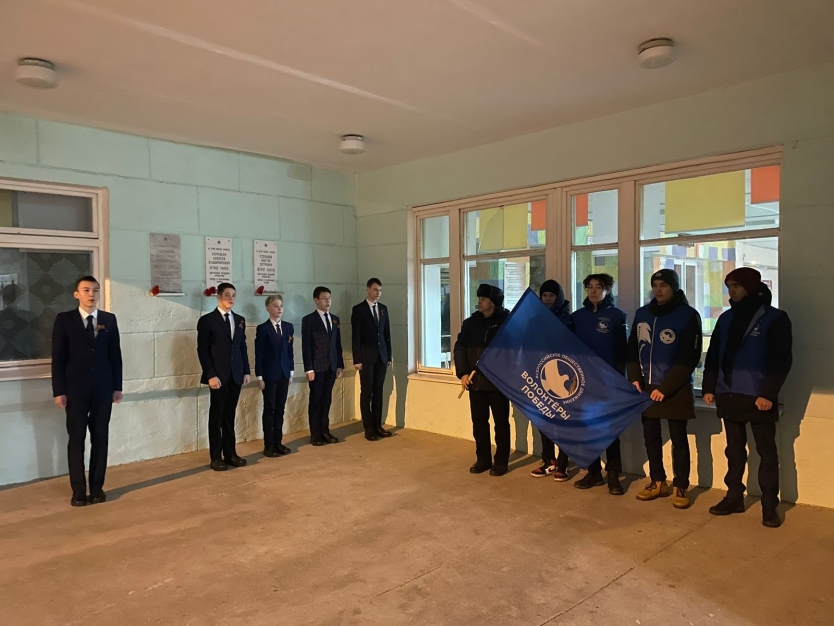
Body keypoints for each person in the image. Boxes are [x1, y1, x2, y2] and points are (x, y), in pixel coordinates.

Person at [702, 268, 792, 528]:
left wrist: (768, 394)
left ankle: (769, 507)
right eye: (729, 286)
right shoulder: (726, 318)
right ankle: (734, 498)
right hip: (729, 394)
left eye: (737, 286)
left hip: (758, 398)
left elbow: (781, 361)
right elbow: (714, 355)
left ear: (751, 287)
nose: (732, 291)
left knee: (766, 453)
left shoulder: (775, 318)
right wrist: (709, 387)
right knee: (733, 451)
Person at [627, 269, 702, 509]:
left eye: (664, 285)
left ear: (674, 287)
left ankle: (681, 485)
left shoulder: (688, 315)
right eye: (655, 285)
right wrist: (635, 378)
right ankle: (657, 481)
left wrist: (666, 388)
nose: (658, 290)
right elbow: (632, 349)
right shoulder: (642, 313)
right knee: (651, 437)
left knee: (679, 440)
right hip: (647, 387)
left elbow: (689, 358)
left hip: (675, 388)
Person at [51, 276, 123, 507]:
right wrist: (59, 390)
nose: (91, 294)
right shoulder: (64, 320)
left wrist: (117, 386)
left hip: (103, 389)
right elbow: (58, 358)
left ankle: (97, 488)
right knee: (77, 439)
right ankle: (79, 491)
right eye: (86, 290)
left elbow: (115, 355)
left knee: (100, 438)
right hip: (75, 391)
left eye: (95, 290)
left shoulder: (109, 319)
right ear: (77, 294)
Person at [569, 273, 628, 495]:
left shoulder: (617, 316)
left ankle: (613, 475)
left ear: (607, 290)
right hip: (583, 383)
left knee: (609, 431)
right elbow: (570, 351)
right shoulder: (577, 317)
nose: (593, 291)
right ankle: (593, 472)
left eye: (598, 287)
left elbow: (622, 353)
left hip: (607, 384)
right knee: (586, 430)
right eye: (590, 287)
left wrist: (619, 382)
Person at [454, 284, 510, 476]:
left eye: (483, 299)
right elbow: (460, 347)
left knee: (501, 424)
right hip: (474, 382)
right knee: (479, 424)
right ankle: (483, 459)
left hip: (498, 384)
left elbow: (512, 352)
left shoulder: (506, 323)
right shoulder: (470, 323)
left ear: (493, 302)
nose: (479, 302)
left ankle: (501, 462)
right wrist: (463, 373)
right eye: (479, 298)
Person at [197, 282, 250, 472]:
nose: (231, 298)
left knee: (230, 415)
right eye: (227, 295)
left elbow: (242, 347)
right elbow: (203, 350)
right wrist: (210, 374)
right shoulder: (207, 320)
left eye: (233, 295)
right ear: (218, 297)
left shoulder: (240, 319)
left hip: (236, 375)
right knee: (217, 417)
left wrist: (246, 371)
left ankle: (230, 454)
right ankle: (216, 456)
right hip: (218, 376)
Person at [528, 279, 574, 480]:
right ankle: (549, 461)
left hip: (562, 377)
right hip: (540, 376)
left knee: (563, 421)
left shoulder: (568, 320)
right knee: (544, 420)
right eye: (544, 295)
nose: (547, 299)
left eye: (551, 296)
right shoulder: (534, 319)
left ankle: (563, 464)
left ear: (558, 297)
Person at [301, 286, 344, 446]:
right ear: (316, 300)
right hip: (317, 367)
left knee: (327, 400)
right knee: (316, 401)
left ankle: (325, 431)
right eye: (324, 298)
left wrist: (339, 365)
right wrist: (309, 368)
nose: (328, 301)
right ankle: (315, 434)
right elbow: (306, 346)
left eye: (329, 298)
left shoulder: (335, 319)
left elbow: (337, 344)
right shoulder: (309, 320)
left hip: (331, 365)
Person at [352, 278, 393, 441]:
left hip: (381, 357)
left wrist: (388, 355)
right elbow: (356, 336)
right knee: (367, 391)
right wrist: (357, 359)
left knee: (378, 391)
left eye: (380, 290)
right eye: (375, 290)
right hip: (366, 357)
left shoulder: (383, 309)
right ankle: (368, 427)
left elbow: (386, 334)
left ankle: (377, 425)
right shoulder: (359, 309)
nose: (378, 293)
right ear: (368, 289)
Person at [255, 295, 294, 458]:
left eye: (281, 306)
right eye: (275, 306)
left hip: (284, 373)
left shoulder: (288, 327)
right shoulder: (263, 328)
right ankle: (269, 445)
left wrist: (291, 372)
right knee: (269, 409)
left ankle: (278, 442)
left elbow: (290, 351)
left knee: (280, 409)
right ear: (268, 308)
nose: (279, 308)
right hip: (269, 375)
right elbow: (259, 354)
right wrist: (259, 376)